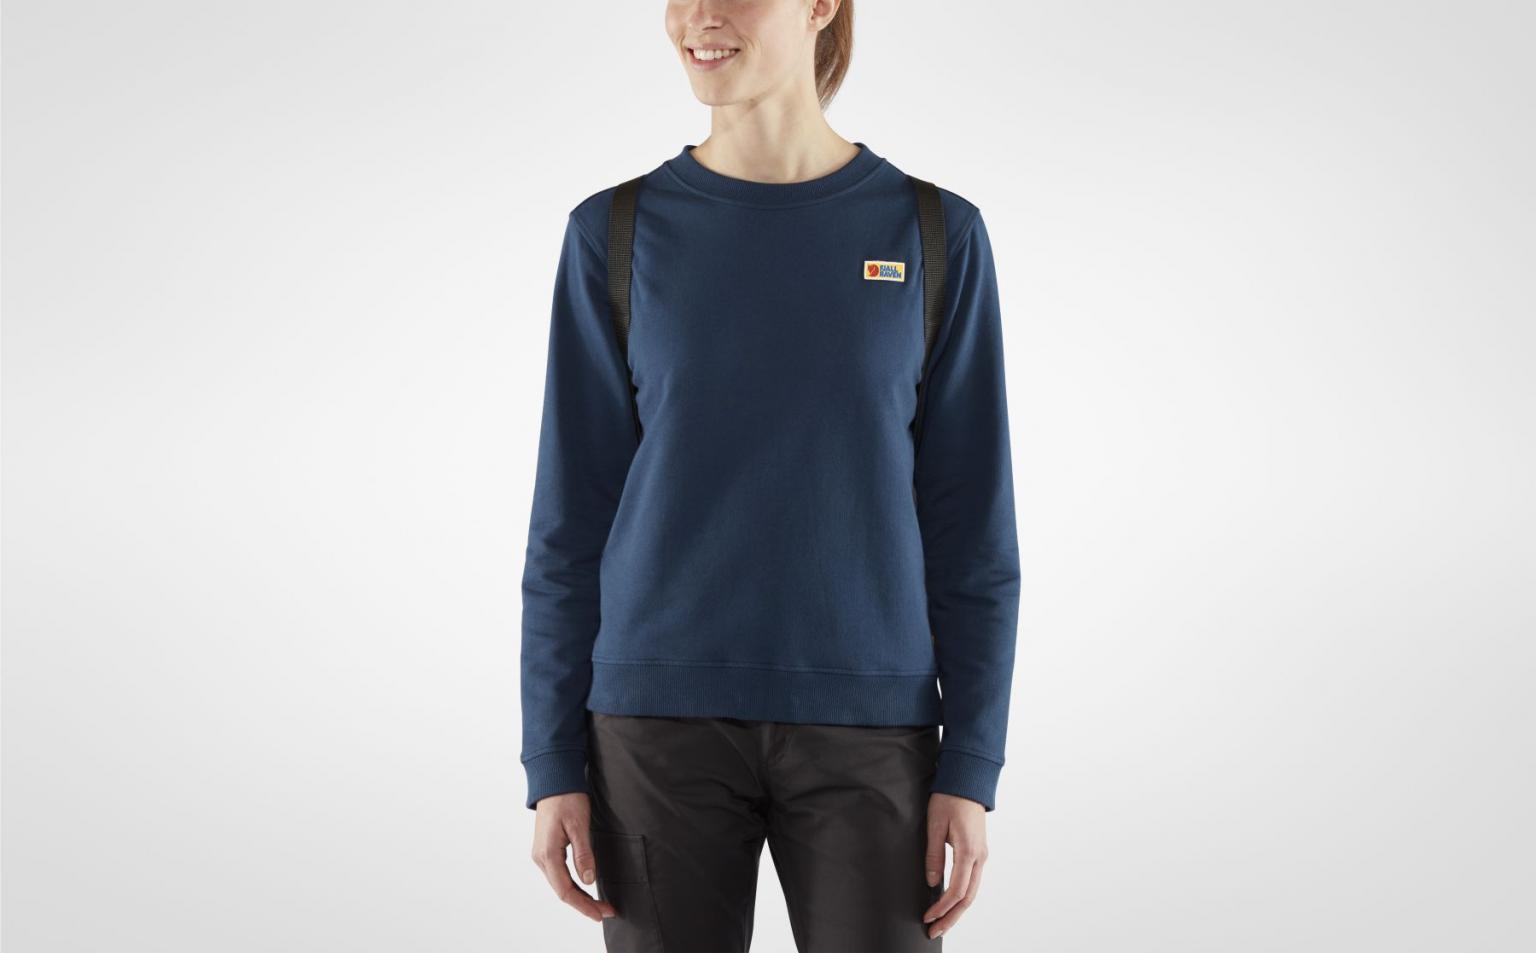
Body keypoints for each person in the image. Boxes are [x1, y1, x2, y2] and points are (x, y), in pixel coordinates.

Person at [520, 1, 1020, 949]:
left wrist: (972, 761)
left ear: (822, 4)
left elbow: (973, 529)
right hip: (654, 727)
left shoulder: (933, 233)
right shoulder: (615, 233)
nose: (700, 17)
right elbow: (569, 524)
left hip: (872, 726)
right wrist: (552, 761)